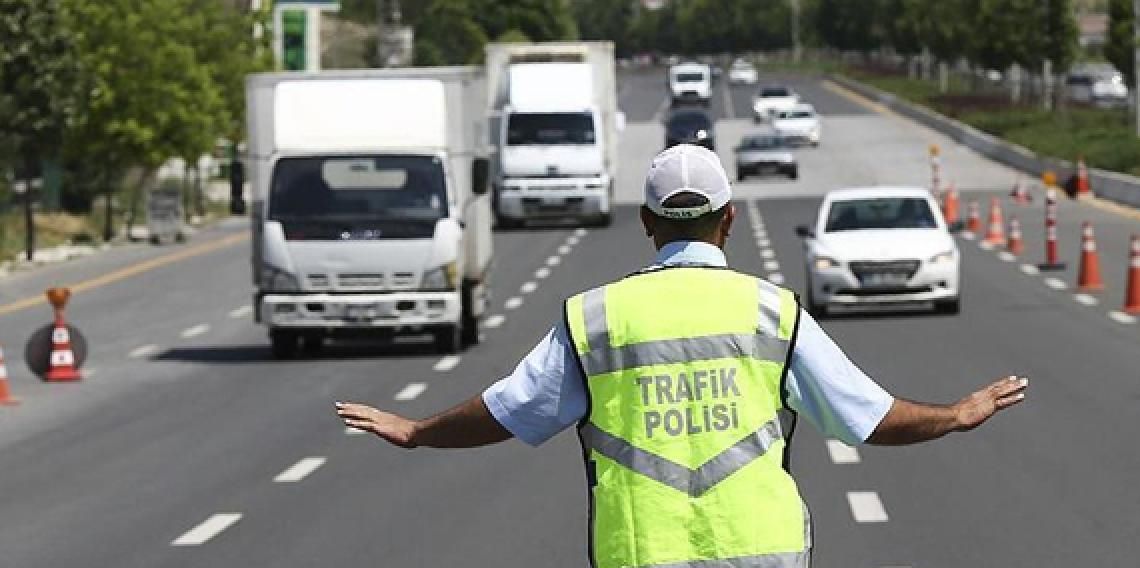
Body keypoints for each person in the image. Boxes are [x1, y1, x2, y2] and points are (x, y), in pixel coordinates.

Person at [336, 144, 1029, 568]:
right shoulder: (772, 311)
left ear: (645, 223)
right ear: (729, 220)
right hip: (766, 553)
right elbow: (868, 418)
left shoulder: (595, 318)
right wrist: (957, 413)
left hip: (641, 554)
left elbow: (508, 411)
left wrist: (417, 433)